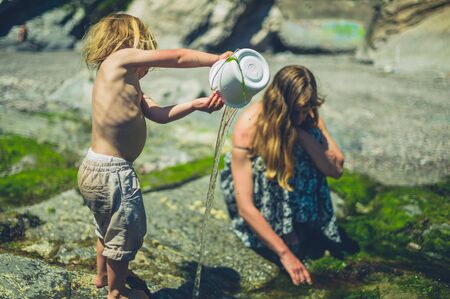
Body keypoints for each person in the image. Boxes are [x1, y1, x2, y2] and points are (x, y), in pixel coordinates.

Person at [77, 13, 231, 299]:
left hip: (94, 168)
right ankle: (117, 292)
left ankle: (102, 276)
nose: (148, 61)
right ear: (129, 43)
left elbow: (159, 115)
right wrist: (216, 60)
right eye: (145, 51)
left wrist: (195, 105)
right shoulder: (120, 59)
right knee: (124, 231)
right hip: (113, 173)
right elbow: (179, 57)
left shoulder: (123, 81)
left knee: (106, 228)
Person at [220, 65, 354, 286]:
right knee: (267, 161)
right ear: (282, 106)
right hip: (263, 197)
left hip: (292, 186)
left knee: (309, 141)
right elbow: (245, 207)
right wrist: (286, 255)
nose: (303, 116)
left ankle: (300, 223)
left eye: (307, 108)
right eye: (297, 110)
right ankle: (281, 229)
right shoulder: (250, 126)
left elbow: (335, 169)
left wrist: (300, 133)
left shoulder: (308, 116)